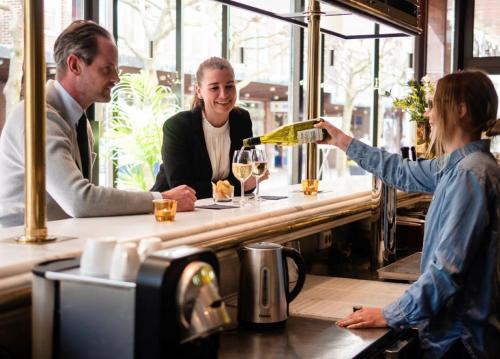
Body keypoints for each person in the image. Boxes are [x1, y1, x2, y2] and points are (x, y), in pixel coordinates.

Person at [316, 70, 500, 358]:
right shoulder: (460, 166)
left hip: (460, 340)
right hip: (459, 335)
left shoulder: (471, 174)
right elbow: (401, 171)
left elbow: (447, 271)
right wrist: (342, 141)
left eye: (434, 105)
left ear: (460, 110)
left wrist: (391, 314)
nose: (428, 115)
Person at [0, 20, 196, 228]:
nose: (116, 78)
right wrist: (162, 198)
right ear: (75, 65)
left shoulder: (79, 122)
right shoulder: (37, 116)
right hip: (18, 248)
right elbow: (79, 199)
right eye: (107, 69)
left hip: (61, 240)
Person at [151, 57, 267, 199]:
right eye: (214, 88)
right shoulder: (177, 126)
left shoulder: (241, 119)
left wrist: (244, 184)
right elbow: (182, 189)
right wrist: (237, 186)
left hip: (220, 209)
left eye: (229, 86)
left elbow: (248, 179)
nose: (224, 94)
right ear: (199, 91)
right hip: (173, 211)